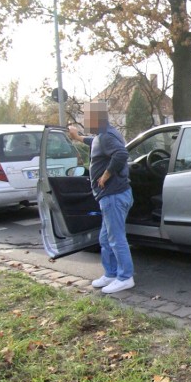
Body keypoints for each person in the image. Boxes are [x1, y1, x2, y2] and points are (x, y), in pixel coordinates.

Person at [68, 101, 135, 294]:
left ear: (97, 118)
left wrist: (105, 175)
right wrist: (79, 138)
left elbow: (121, 153)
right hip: (110, 196)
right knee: (105, 239)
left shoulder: (106, 136)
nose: (84, 120)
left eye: (87, 117)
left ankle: (125, 277)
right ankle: (111, 273)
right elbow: (96, 143)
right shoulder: (103, 135)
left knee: (116, 238)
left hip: (113, 195)